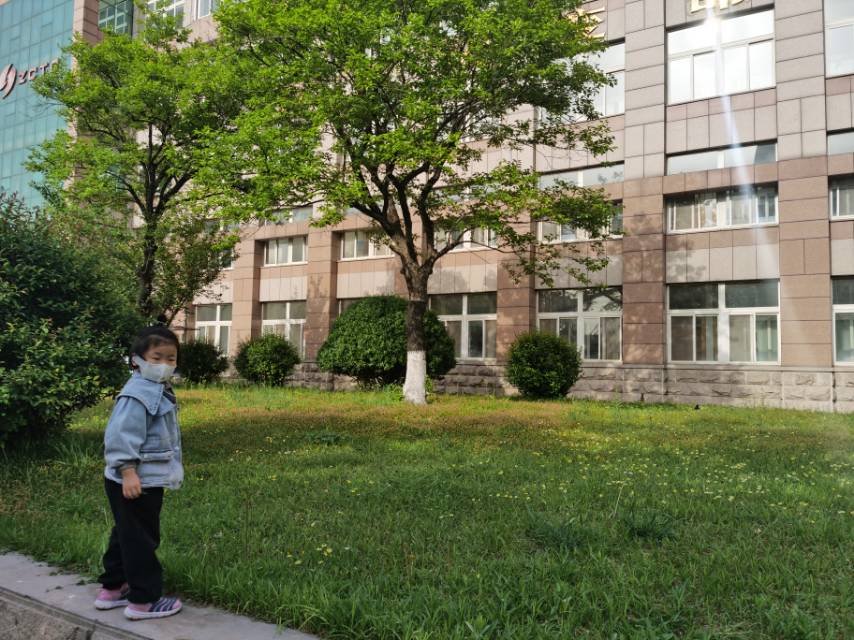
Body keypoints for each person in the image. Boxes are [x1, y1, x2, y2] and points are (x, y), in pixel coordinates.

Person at [94, 325, 184, 620]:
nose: (164, 365)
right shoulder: (138, 394)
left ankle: (113, 588)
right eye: (157, 358)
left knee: (126, 532)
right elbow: (120, 436)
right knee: (142, 539)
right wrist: (128, 471)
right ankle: (144, 601)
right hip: (136, 479)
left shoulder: (154, 388)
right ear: (137, 360)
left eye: (171, 359)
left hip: (135, 478)